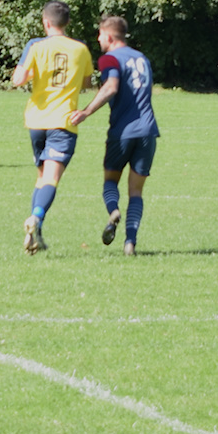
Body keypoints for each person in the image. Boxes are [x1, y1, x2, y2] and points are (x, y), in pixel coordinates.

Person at [11, 1, 97, 254]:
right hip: (63, 122)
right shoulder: (81, 48)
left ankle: (37, 233)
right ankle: (36, 218)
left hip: (36, 121)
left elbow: (18, 80)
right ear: (67, 23)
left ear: (45, 22)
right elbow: (87, 83)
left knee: (41, 178)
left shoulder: (35, 46)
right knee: (51, 178)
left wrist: (34, 74)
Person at [69, 16, 160, 255]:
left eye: (100, 35)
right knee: (136, 192)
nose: (98, 39)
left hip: (123, 132)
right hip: (148, 131)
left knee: (110, 181)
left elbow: (110, 87)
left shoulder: (109, 58)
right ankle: (130, 242)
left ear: (109, 36)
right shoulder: (141, 58)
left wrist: (86, 111)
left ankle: (114, 211)